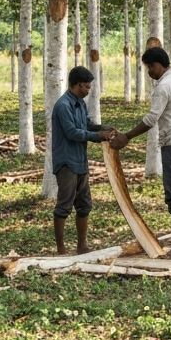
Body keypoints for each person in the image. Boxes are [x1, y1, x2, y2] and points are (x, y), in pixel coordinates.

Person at [111, 46, 171, 260]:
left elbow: (151, 119)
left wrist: (127, 137)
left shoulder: (164, 86)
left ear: (159, 64)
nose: (150, 72)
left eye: (150, 67)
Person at [50, 66, 117, 254]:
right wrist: (98, 136)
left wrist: (102, 128)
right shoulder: (63, 106)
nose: (88, 91)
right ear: (76, 85)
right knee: (64, 205)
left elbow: (86, 125)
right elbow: (72, 132)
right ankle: (61, 249)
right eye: (86, 87)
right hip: (66, 162)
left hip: (80, 161)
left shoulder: (80, 104)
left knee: (84, 205)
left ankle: (82, 246)